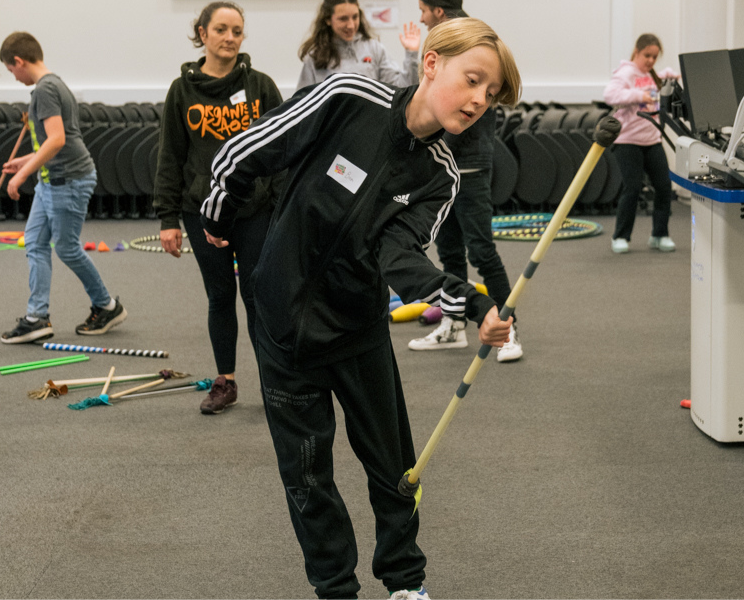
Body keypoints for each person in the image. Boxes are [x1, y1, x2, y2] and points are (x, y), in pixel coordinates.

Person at [203, 17, 521, 599]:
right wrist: (217, 215)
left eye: (491, 93)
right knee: (306, 476)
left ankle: (404, 584)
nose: (479, 100)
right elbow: (248, 150)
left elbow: (396, 254)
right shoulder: (348, 96)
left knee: (395, 468)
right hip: (281, 329)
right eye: (473, 79)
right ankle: (336, 591)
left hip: (357, 331)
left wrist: (473, 302)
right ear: (431, 63)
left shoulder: (438, 177)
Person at [153, 1, 283, 415]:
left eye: (237, 31)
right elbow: (170, 156)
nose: (230, 38)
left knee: (258, 295)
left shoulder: (261, 86)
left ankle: (274, 382)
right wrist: (167, 218)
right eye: (222, 29)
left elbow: (283, 150)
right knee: (220, 295)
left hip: (255, 210)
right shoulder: (182, 91)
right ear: (203, 33)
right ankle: (224, 381)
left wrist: (281, 207)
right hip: (201, 210)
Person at [408, 0, 522, 362]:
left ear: (438, 10)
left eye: (423, 9)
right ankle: (454, 325)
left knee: (482, 250)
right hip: (440, 169)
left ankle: (507, 330)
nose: (420, 16)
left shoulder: (475, 44)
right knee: (449, 251)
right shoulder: (440, 46)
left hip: (468, 166)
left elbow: (460, 112)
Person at [0, 32, 127, 344]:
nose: (13, 77)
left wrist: (21, 175)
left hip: (68, 180)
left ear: (19, 61)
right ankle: (36, 317)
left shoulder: (45, 89)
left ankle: (107, 306)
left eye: (10, 70)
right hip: (51, 178)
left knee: (66, 247)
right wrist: (27, 161)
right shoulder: (54, 85)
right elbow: (61, 139)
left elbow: (57, 140)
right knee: (35, 242)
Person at [604, 33, 679, 254]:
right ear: (637, 51)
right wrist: (638, 95)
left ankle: (659, 235)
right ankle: (620, 237)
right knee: (633, 188)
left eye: (655, 57)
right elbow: (610, 95)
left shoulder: (654, 74)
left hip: (652, 140)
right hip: (627, 141)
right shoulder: (626, 73)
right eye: (647, 55)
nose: (650, 61)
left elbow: (670, 75)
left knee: (664, 187)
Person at [297, 0, 421, 89]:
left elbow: (403, 88)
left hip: (371, 123)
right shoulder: (315, 57)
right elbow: (301, 103)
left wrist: (411, 55)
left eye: (355, 17)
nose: (350, 25)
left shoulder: (374, 49)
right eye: (343, 19)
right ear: (328, 20)